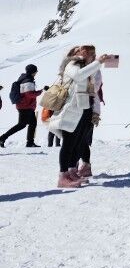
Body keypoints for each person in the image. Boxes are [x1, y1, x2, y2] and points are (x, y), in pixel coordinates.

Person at [48, 46, 115, 188]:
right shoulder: (72, 64)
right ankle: (63, 176)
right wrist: (97, 62)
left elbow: (93, 85)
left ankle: (71, 172)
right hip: (71, 109)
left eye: (89, 52)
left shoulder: (84, 66)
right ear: (75, 53)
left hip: (82, 108)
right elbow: (79, 76)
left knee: (76, 142)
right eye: (82, 51)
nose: (86, 53)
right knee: (68, 143)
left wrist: (98, 64)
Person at [76, 45, 103, 179]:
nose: (83, 56)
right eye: (81, 53)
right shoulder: (77, 68)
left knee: (81, 139)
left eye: (86, 54)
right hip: (76, 107)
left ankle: (83, 166)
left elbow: (93, 89)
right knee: (76, 139)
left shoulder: (95, 70)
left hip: (89, 108)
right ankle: (78, 165)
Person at [0, 64, 39, 149]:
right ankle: (2, 138)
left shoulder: (24, 79)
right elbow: (29, 94)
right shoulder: (28, 80)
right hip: (25, 106)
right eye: (36, 71)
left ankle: (30, 142)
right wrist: (40, 91)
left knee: (32, 123)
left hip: (25, 106)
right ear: (32, 72)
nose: (36, 72)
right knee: (21, 125)